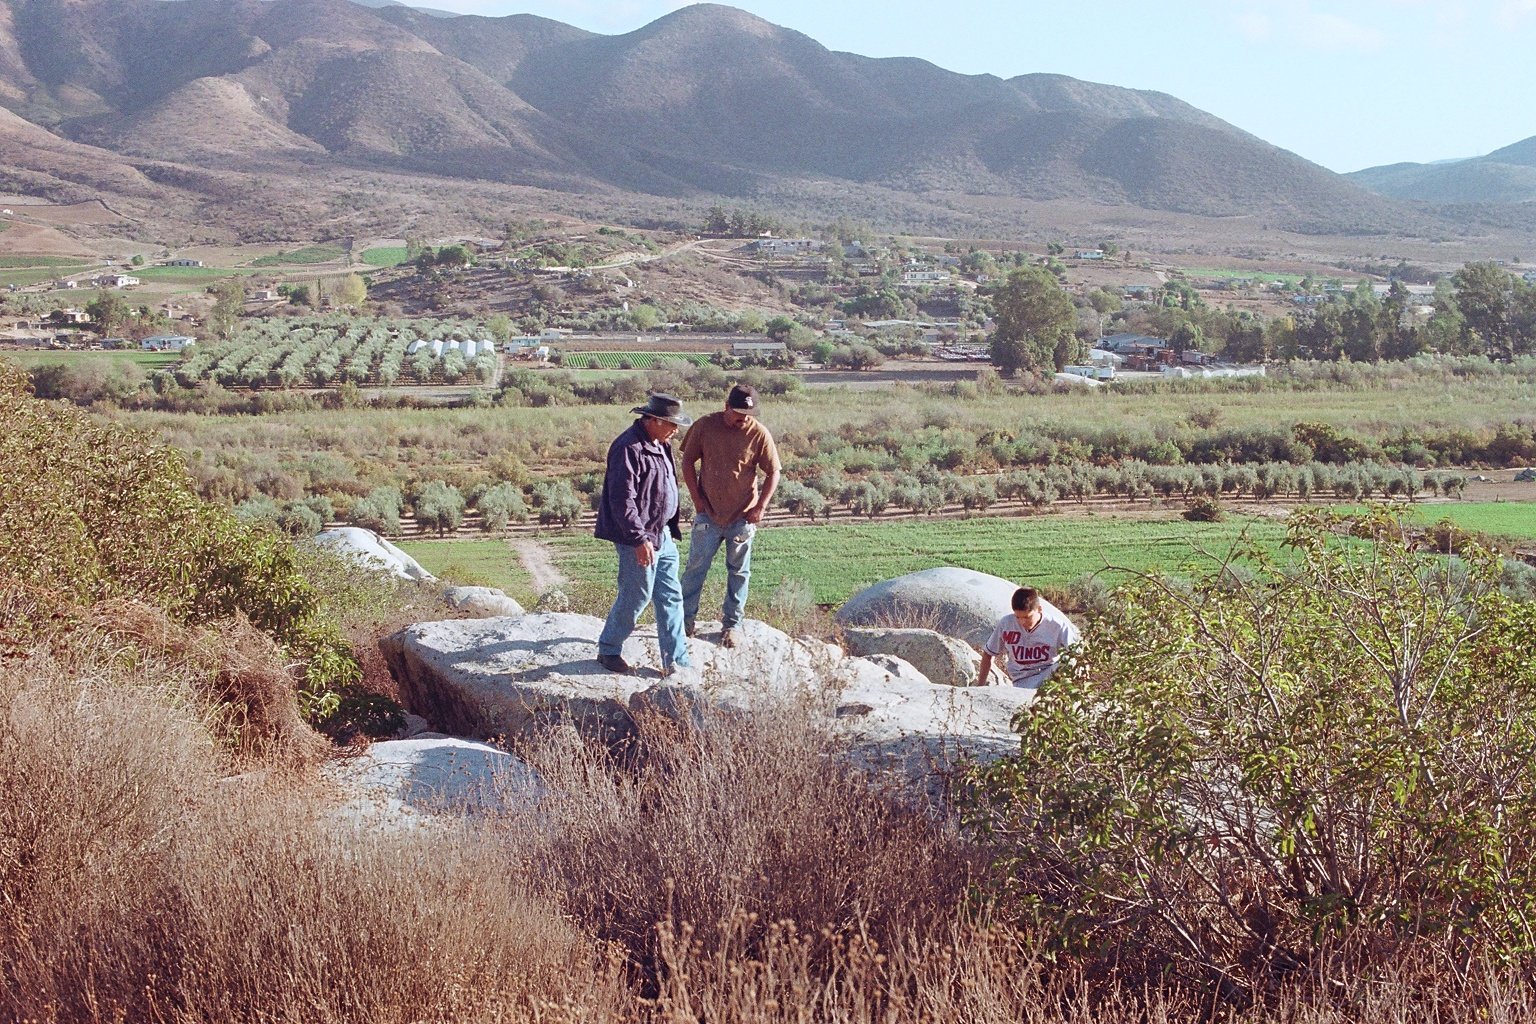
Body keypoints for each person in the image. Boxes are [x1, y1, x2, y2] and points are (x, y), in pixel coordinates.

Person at [594, 394, 694, 676]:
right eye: (671, 424)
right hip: (638, 538)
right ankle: (609, 649)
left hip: (662, 534)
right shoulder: (628, 447)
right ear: (653, 420)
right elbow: (622, 499)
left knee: (671, 597)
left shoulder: (661, 444)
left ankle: (676, 661)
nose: (675, 430)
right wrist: (639, 539)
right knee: (636, 596)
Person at [679, 383, 782, 648]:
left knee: (739, 572)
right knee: (694, 569)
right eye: (738, 413)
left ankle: (732, 626)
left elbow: (774, 472)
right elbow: (687, 460)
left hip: (742, 518)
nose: (743, 419)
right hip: (708, 515)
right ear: (726, 407)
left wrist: (760, 508)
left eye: (748, 414)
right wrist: (697, 500)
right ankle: (684, 622)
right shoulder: (704, 426)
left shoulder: (759, 434)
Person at [977, 586, 1081, 689]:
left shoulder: (1057, 626)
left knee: (1069, 661)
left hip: (1048, 675)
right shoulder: (1006, 624)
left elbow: (1078, 655)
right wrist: (980, 687)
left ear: (1039, 609)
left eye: (1027, 617)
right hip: (1022, 681)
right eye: (1018, 617)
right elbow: (988, 653)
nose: (1022, 622)